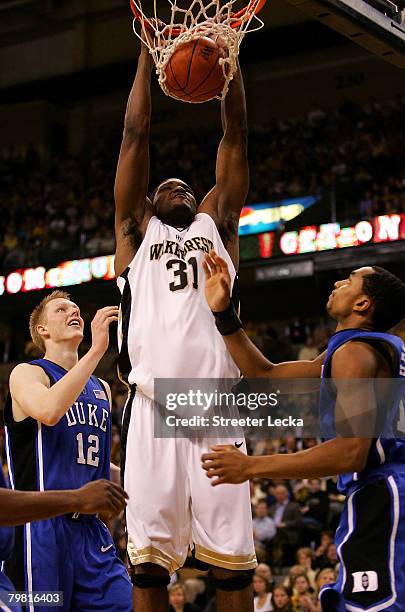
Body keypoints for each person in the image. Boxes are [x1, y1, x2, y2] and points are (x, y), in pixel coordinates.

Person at [114, 25, 255, 612]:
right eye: (164, 183)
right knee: (148, 570)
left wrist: (228, 68)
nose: (175, 183)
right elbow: (134, 132)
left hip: (218, 401)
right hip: (151, 406)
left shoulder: (216, 225)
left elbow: (236, 135)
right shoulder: (134, 234)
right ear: (149, 202)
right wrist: (149, 57)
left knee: (233, 572)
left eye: (186, 183)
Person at [201, 253, 405, 611]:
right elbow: (265, 375)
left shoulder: (356, 354)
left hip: (388, 491)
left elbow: (350, 452)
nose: (338, 282)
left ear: (363, 302)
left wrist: (250, 467)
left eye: (350, 280)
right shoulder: (350, 352)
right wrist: (223, 313)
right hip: (383, 490)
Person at [4, 291, 132, 611]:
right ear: (43, 331)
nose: (73, 311)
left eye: (75, 308)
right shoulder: (28, 373)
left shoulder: (100, 388)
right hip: (39, 530)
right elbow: (49, 410)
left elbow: (100, 466)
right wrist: (98, 349)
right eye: (61, 309)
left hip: (91, 533)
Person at [0, 469, 128, 612]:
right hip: (40, 537)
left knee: (122, 603)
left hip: (90, 532)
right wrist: (77, 499)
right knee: (46, 600)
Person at [268, 485, 302, 567]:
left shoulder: (294, 506)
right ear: (275, 495)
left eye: (282, 493)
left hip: (288, 532)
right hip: (273, 531)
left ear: (287, 494)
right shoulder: (271, 508)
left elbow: (298, 522)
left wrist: (285, 524)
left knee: (279, 534)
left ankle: (279, 561)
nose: (280, 495)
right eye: (278, 493)